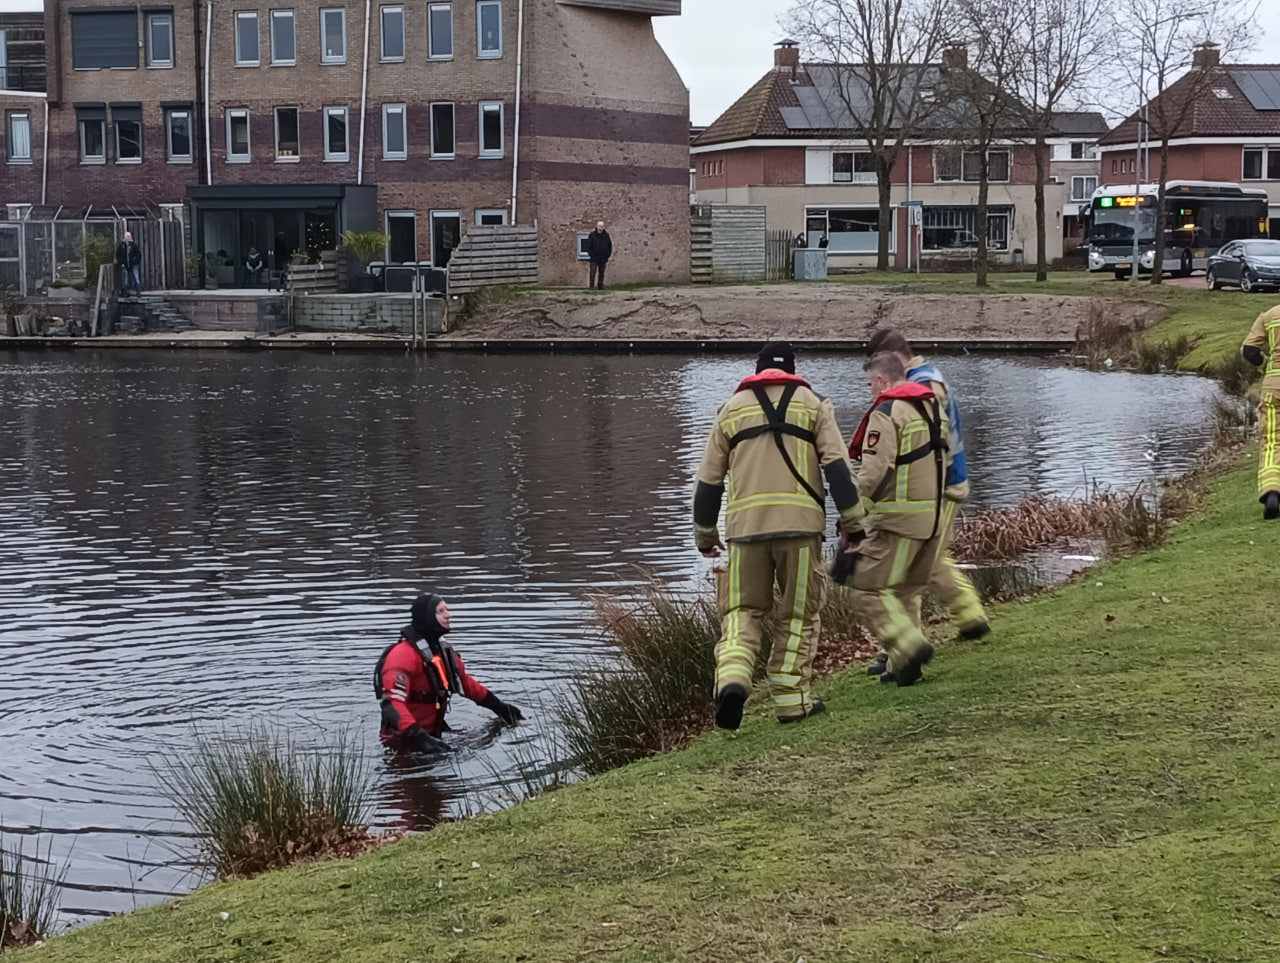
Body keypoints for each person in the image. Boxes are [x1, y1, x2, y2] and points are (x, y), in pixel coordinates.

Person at [693, 341, 865, 728]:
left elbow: (707, 483)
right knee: (798, 615)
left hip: (744, 532)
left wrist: (705, 535)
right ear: (791, 369)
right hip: (801, 531)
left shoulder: (730, 411)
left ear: (757, 373)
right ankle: (792, 702)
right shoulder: (814, 405)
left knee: (741, 612)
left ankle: (733, 679)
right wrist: (853, 523)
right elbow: (838, 471)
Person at [863, 329, 989, 656]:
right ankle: (955, 622)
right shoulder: (927, 378)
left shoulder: (922, 385)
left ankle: (921, 639)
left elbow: (926, 442)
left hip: (939, 487)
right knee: (924, 562)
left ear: (896, 358)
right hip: (941, 484)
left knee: (924, 563)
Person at [846, 352, 952, 687]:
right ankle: (903, 668)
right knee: (904, 593)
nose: (869, 391)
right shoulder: (932, 407)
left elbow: (874, 471)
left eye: (869, 384)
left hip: (898, 520)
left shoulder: (886, 411)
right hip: (933, 519)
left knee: (865, 587)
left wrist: (852, 514)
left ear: (881, 380)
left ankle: (908, 647)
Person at [374, 594, 524, 753]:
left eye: (447, 609)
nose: (448, 614)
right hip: (402, 744)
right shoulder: (403, 655)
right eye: (440, 611)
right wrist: (419, 737)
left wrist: (499, 707)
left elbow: (465, 683)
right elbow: (391, 704)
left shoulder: (444, 651)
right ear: (427, 617)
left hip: (433, 737)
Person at [1242, 304, 1280, 519]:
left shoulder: (1269, 316)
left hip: (1273, 387)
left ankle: (1272, 492)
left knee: (1272, 441)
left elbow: (1249, 351)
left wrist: (1265, 364)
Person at [586, 220, 612, 289]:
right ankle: (591, 286)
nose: (601, 227)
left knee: (601, 272)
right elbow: (588, 246)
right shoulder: (592, 235)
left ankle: (600, 285)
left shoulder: (606, 236)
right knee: (593, 272)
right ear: (597, 226)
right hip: (594, 258)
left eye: (602, 226)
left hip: (603, 258)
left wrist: (607, 255)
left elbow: (609, 246)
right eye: (599, 226)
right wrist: (591, 254)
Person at [116, 230, 142, 296]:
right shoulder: (121, 245)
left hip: (134, 264)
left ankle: (138, 292)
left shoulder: (134, 245)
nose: (128, 238)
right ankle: (126, 292)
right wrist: (121, 262)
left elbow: (139, 254)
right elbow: (117, 255)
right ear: (124, 237)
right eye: (127, 236)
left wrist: (136, 262)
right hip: (125, 264)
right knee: (126, 279)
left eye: (129, 236)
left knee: (136, 278)